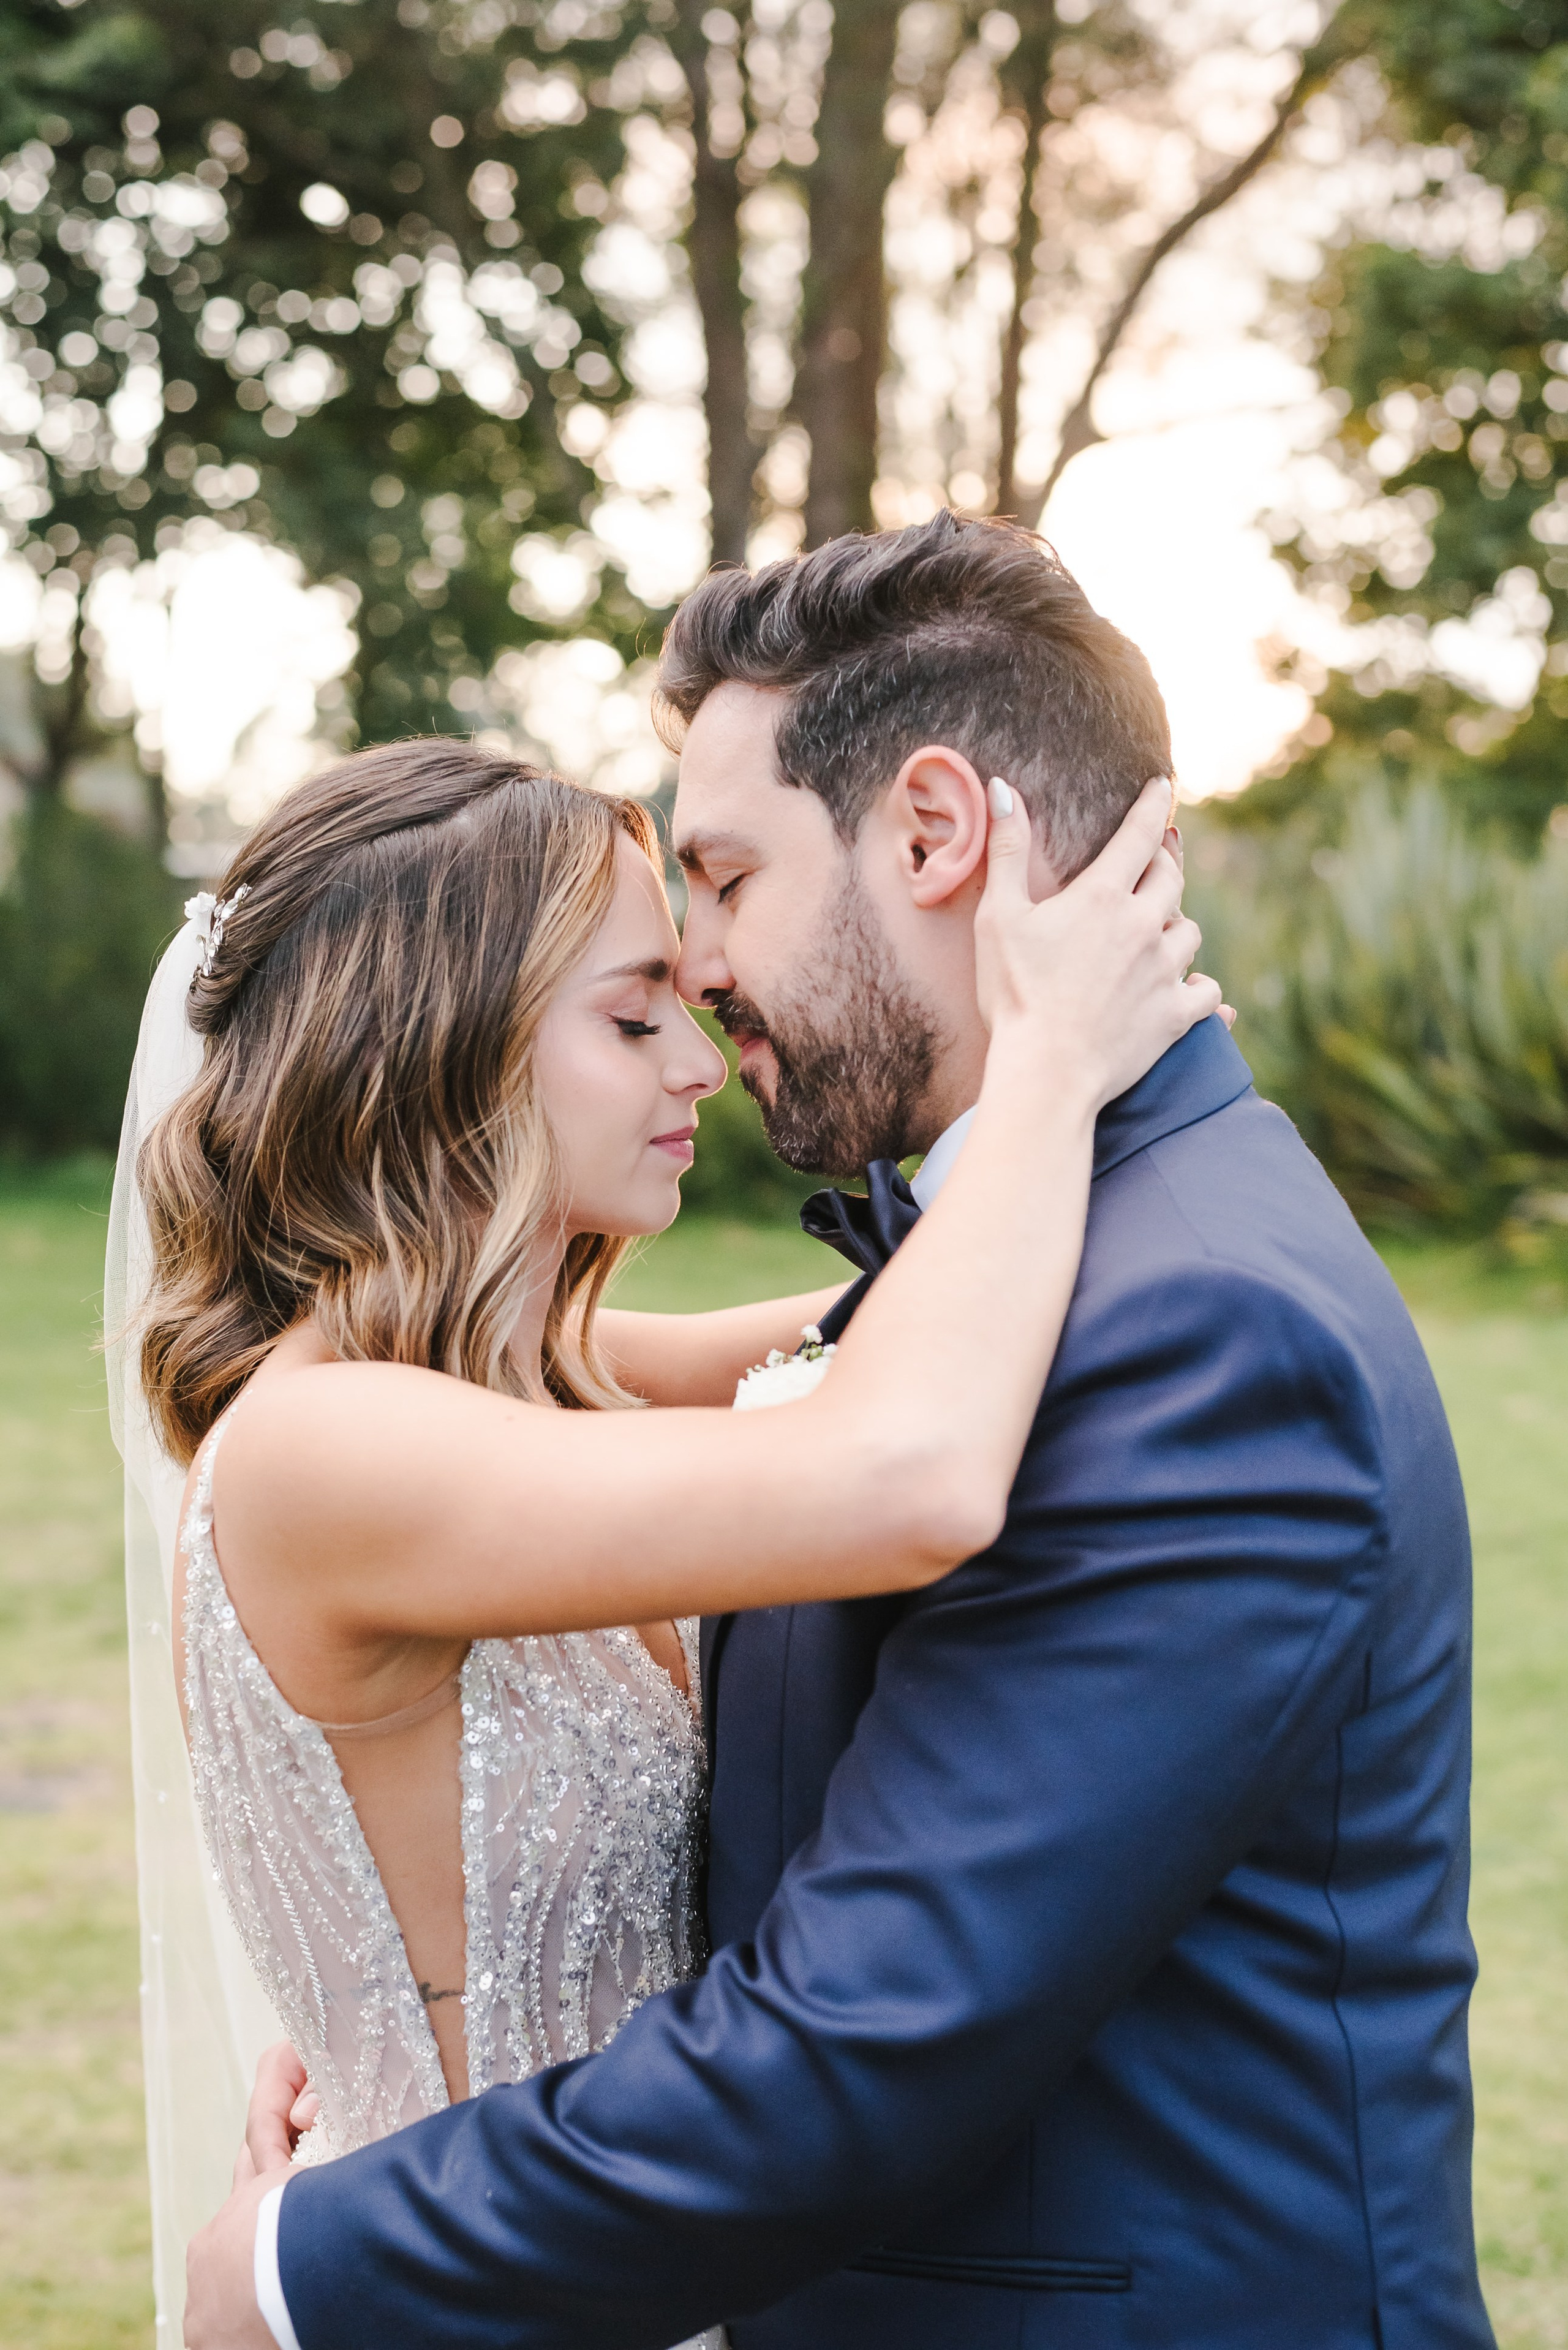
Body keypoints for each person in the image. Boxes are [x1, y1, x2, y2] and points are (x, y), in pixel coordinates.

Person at [188, 515, 1490, 2350]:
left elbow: (863, 2030)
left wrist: (292, 2266)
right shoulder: (1002, 1273)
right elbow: (873, 1427)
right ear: (460, 1050)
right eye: (637, 992)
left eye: (722, 880)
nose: (709, 989)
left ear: (937, 833)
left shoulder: (1193, 1327)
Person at [105, 720, 1208, 2341]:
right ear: (441, 1050)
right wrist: (1049, 1061)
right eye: (633, 1016)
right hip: (454, 2275)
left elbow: (874, 1338)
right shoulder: (327, 1448)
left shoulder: (529, 1378)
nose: (698, 1060)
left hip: (606, 2255)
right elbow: (906, 1466)